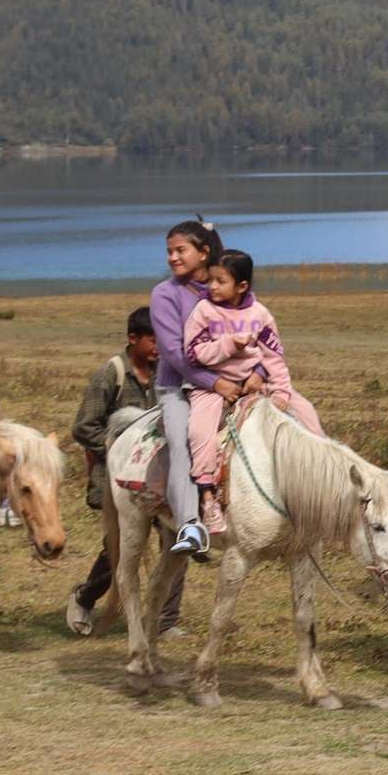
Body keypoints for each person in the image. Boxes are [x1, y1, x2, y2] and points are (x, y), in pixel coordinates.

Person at [183, 248, 324, 537]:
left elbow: (274, 358)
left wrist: (282, 392)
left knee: (306, 412)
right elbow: (194, 354)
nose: (212, 287)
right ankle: (208, 495)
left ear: (242, 286)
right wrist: (228, 345)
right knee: (200, 432)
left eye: (220, 281)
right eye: (211, 280)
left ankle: (321, 475)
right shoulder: (203, 311)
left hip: (256, 383)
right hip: (212, 387)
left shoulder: (260, 315)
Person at [65, 307, 182, 638]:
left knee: (174, 538)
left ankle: (165, 619)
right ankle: (85, 597)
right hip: (117, 475)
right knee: (117, 546)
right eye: (152, 339)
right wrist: (120, 450)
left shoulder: (165, 374)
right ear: (133, 339)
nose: (160, 346)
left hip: (158, 472)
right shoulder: (111, 374)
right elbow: (84, 426)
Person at [149, 219, 223, 559]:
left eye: (180, 250)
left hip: (226, 384)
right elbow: (174, 354)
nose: (172, 258)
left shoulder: (223, 288)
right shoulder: (164, 294)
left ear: (203, 252)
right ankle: (189, 524)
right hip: (176, 387)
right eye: (169, 251)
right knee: (181, 440)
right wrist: (217, 382)